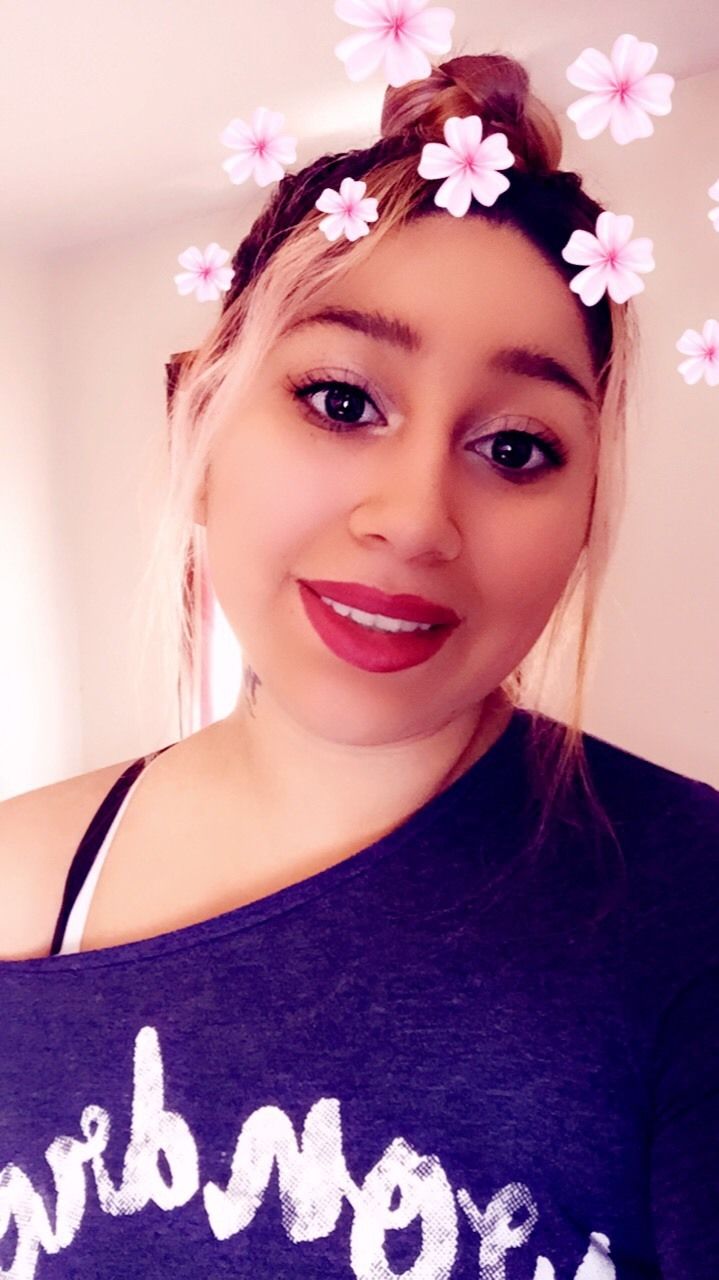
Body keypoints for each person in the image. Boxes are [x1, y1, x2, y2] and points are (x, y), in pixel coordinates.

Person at [0, 50, 717, 1280]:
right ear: (203, 423)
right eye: (340, 401)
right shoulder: (20, 882)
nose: (414, 518)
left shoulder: (688, 905)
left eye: (515, 446)